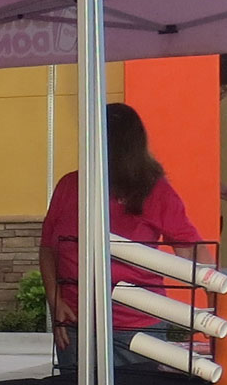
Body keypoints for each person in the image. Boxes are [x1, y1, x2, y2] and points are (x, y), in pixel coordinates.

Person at [38, 103, 205, 368]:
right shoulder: (69, 185)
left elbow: (193, 252)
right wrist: (55, 300)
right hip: (75, 324)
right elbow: (48, 248)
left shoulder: (155, 191)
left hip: (139, 327)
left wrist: (216, 312)